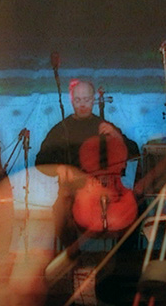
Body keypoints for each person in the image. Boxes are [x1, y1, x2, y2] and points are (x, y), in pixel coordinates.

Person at [35, 79, 140, 246]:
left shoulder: (104, 125)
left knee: (135, 207)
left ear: (93, 100)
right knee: (61, 209)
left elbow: (134, 152)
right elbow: (40, 160)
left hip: (111, 188)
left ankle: (124, 259)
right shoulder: (61, 129)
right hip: (76, 188)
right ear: (71, 101)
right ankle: (73, 257)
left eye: (86, 99)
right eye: (78, 100)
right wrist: (59, 168)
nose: (82, 104)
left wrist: (116, 135)